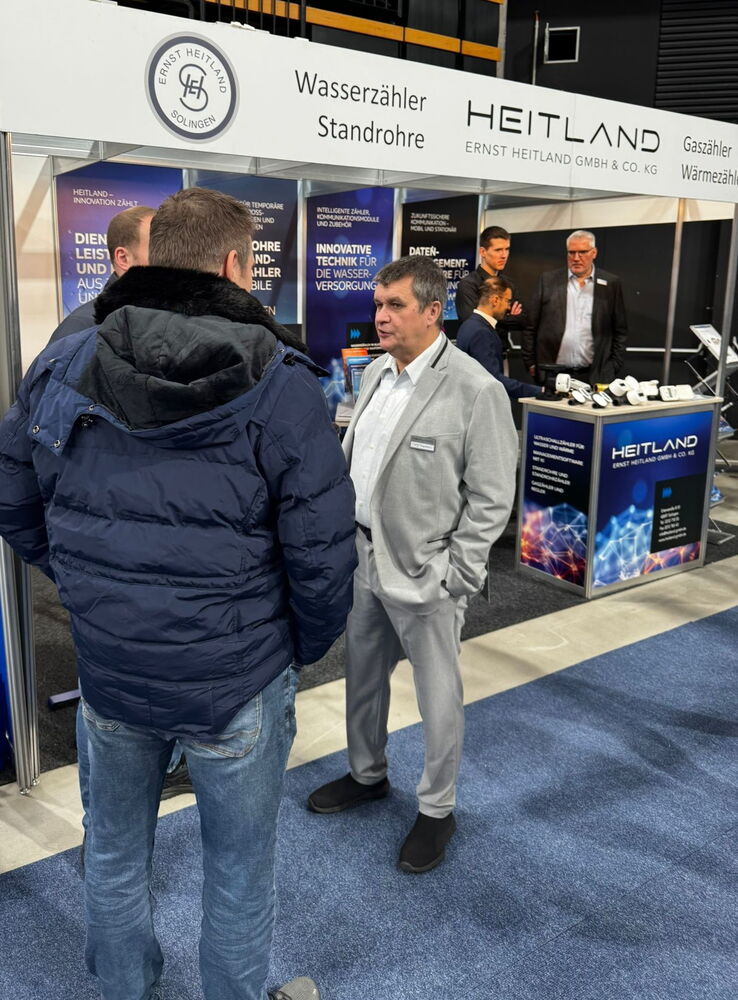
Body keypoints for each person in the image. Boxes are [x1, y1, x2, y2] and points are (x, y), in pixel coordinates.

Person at [0, 186, 358, 1000]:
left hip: (113, 670)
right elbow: (323, 555)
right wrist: (294, 648)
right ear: (234, 265)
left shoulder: (62, 361)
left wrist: (88, 593)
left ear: (153, 256)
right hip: (237, 678)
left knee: (113, 852)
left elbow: (14, 502)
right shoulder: (283, 380)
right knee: (238, 868)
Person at [307, 255, 518, 874]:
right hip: (363, 558)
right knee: (362, 677)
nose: (381, 317)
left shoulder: (475, 389)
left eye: (395, 306)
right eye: (378, 305)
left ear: (432, 311)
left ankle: (436, 808)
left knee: (438, 695)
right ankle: (367, 774)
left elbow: (492, 497)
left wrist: (458, 575)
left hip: (429, 573)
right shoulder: (376, 372)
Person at [522, 229, 628, 385]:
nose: (576, 258)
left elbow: (620, 330)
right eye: (571, 253)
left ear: (594, 253)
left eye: (582, 252)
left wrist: (612, 366)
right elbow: (530, 325)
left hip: (595, 375)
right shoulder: (548, 281)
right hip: (553, 374)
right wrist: (530, 363)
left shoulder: (610, 284)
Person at [49, 204, 155, 344]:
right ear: (123, 258)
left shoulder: (171, 320)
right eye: (158, 248)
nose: (170, 256)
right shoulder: (79, 329)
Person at [456, 275, 542, 401]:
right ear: (495, 300)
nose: (508, 307)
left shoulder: (469, 325)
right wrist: (539, 391)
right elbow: (493, 379)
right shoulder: (481, 332)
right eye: (507, 301)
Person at [454, 225, 524, 326]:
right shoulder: (468, 285)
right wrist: (508, 317)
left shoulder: (508, 283)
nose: (504, 255)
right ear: (483, 252)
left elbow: (522, 320)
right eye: (498, 250)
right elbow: (471, 323)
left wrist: (488, 316)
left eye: (507, 249)